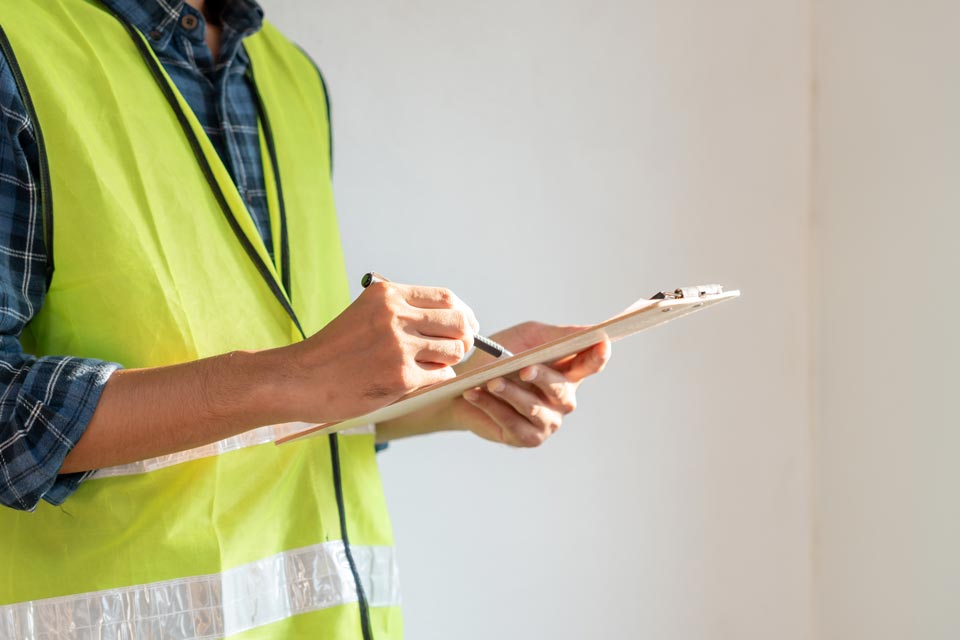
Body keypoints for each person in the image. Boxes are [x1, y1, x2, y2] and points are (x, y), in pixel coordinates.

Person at [0, 0, 610, 638]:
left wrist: (453, 387)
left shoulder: (293, 77)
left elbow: (301, 400)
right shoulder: (17, 47)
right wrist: (295, 374)